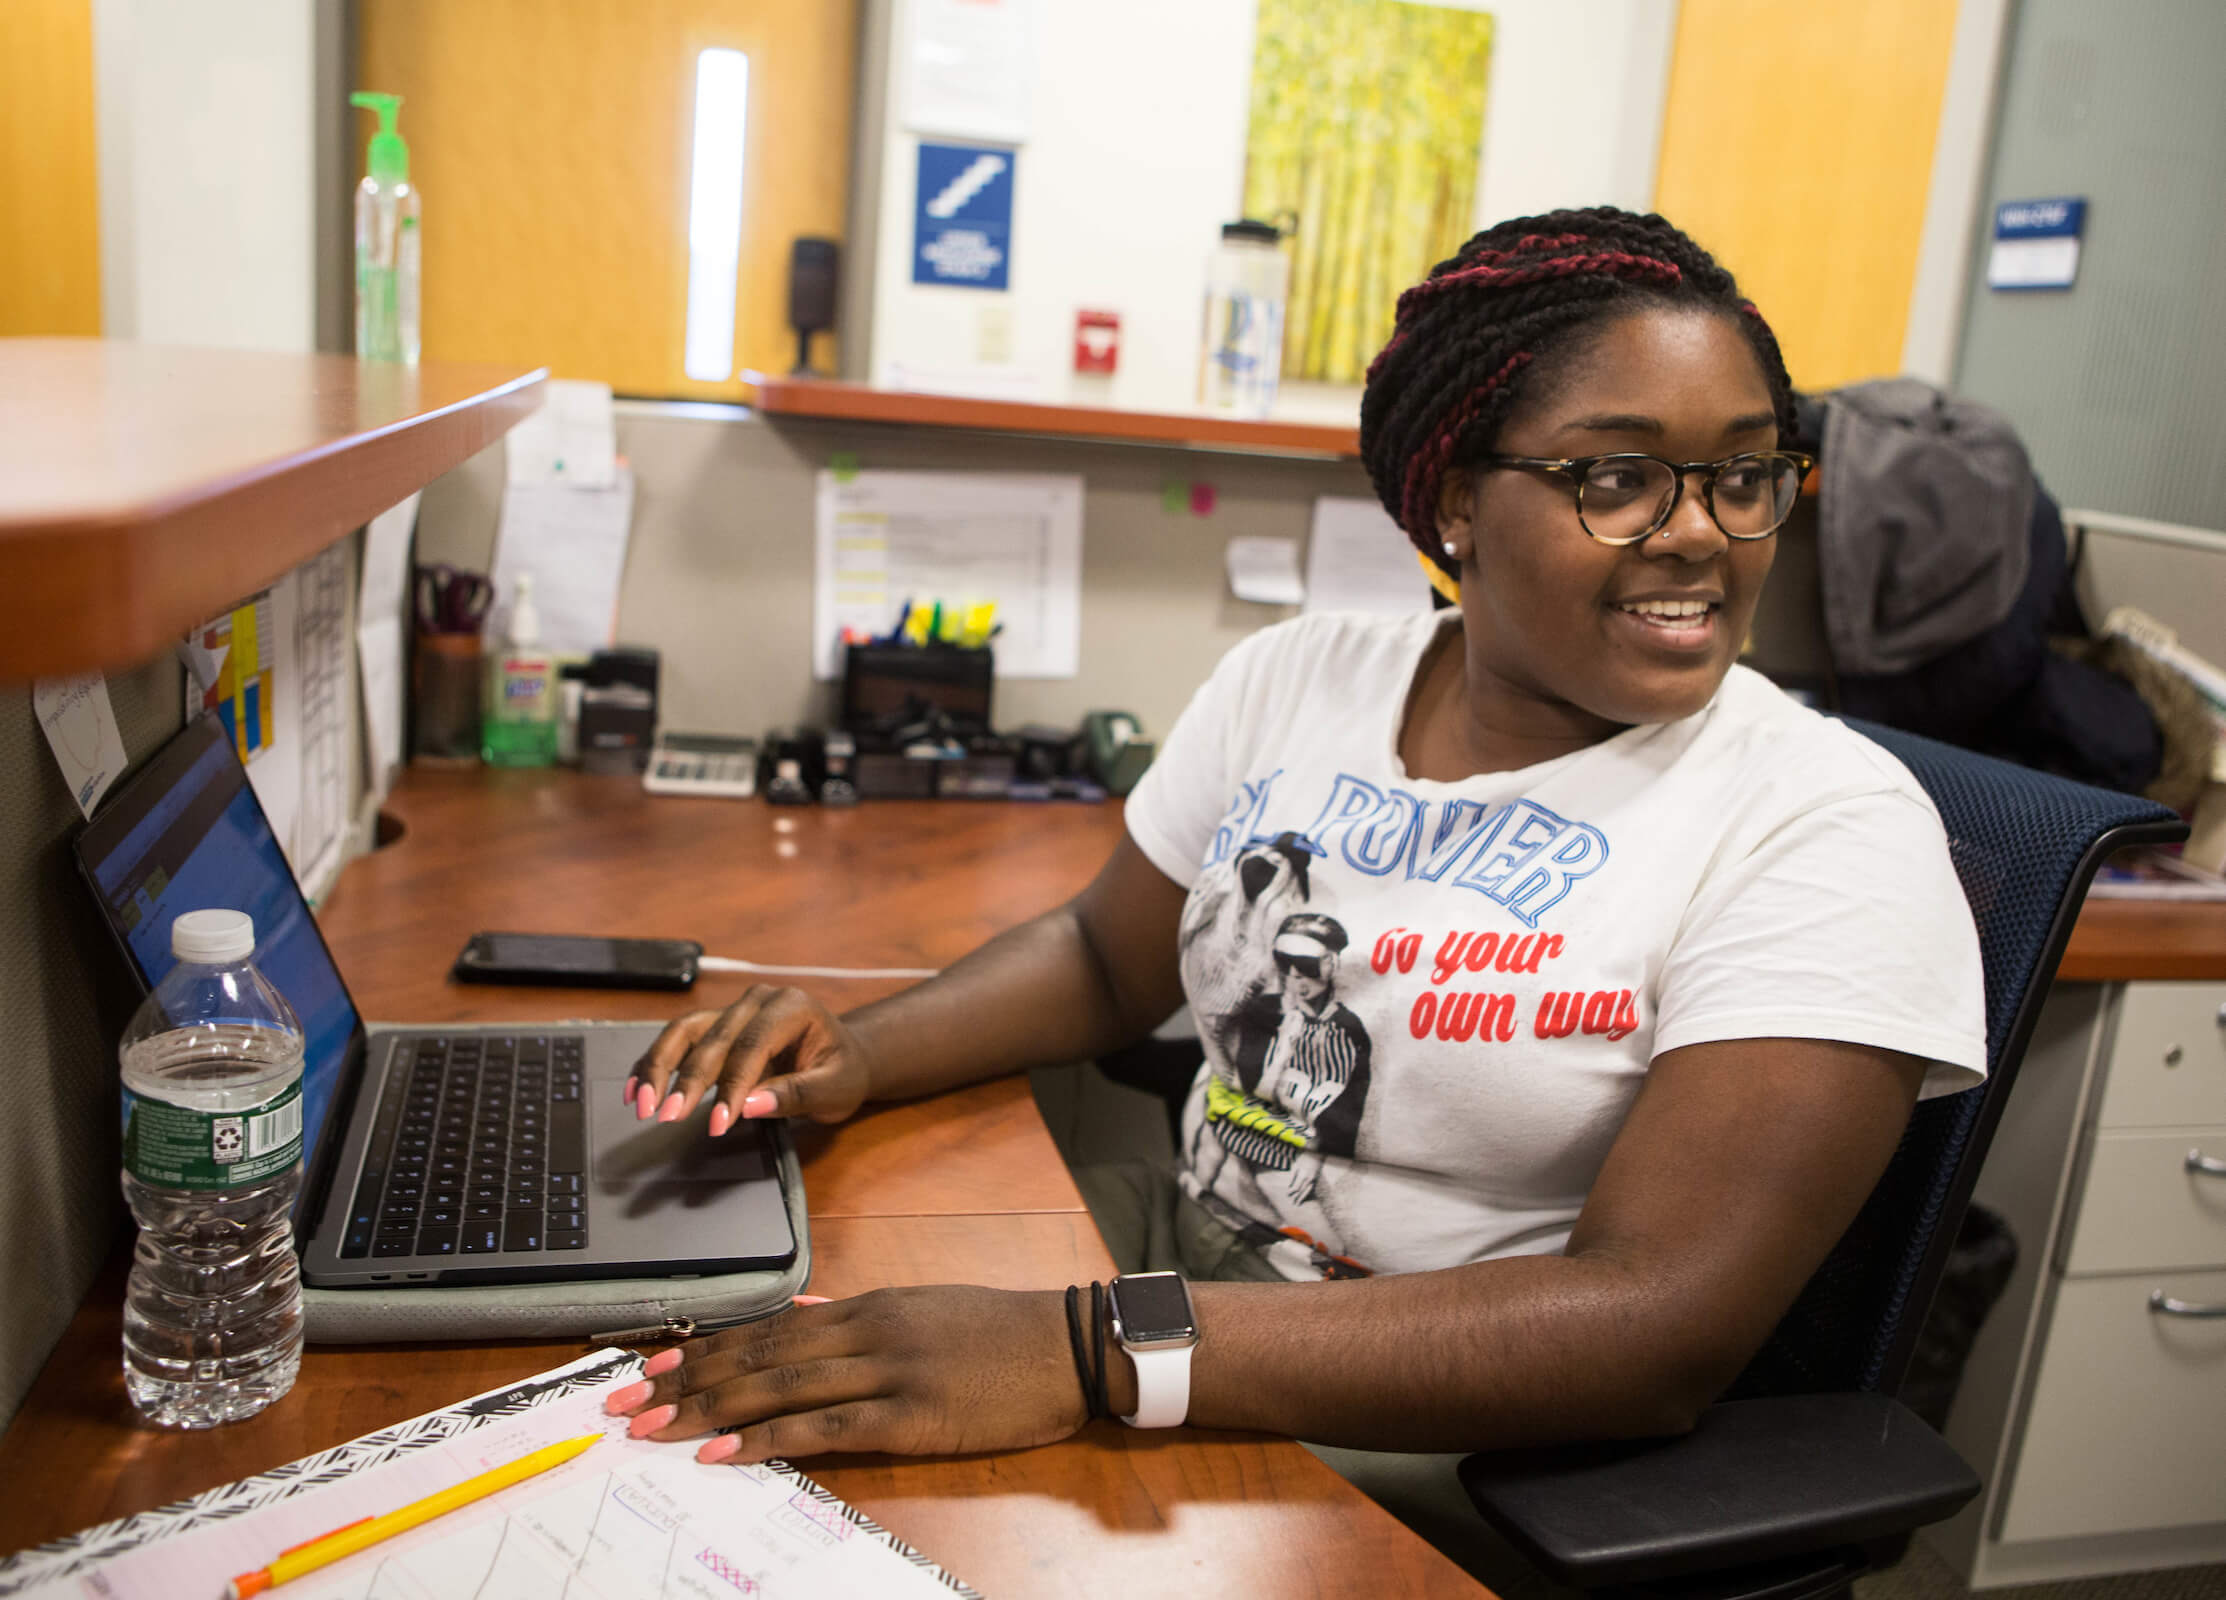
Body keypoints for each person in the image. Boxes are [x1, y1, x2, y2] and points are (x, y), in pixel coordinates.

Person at [603, 208, 1984, 1565]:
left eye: (1743, 475)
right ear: (1451, 500)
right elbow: (1103, 959)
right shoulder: (1303, 677)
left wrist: (1083, 1349)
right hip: (1177, 1247)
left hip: (1454, 1404)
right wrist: (858, 1048)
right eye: (1614, 479)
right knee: (722, 1383)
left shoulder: (1822, 824)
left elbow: (1650, 1327)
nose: (1699, 533)